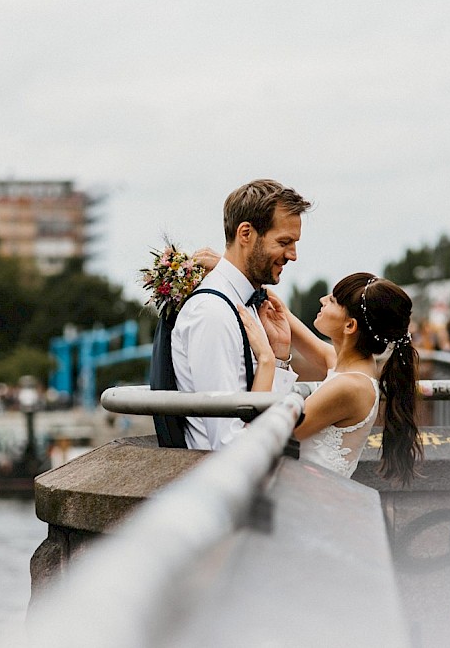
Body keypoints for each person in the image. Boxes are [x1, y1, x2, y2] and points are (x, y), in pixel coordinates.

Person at [172, 179, 312, 450]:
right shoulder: (213, 314)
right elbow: (226, 441)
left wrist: (279, 357)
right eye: (284, 242)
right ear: (245, 234)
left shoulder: (245, 303)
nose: (293, 255)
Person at [243, 273, 422, 485]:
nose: (322, 299)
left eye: (333, 300)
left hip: (307, 504)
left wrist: (267, 359)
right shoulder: (353, 366)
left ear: (350, 326)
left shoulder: (350, 387)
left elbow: (260, 439)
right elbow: (284, 312)